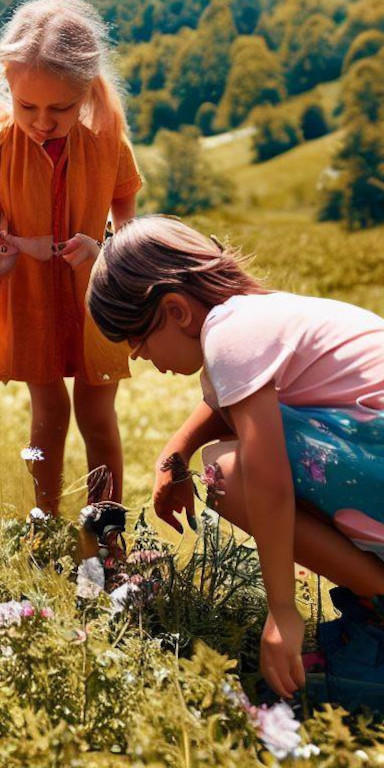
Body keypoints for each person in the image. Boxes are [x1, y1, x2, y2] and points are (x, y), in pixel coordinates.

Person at [87, 214, 384, 701]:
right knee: (227, 451)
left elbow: (267, 480)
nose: (137, 357)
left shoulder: (230, 334)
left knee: (226, 473)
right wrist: (174, 455)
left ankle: (378, 600)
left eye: (134, 339)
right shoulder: (251, 315)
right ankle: (372, 603)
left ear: (177, 311)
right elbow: (223, 404)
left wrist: (282, 610)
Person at [0, 0, 143, 514]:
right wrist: (3, 254)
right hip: (29, 294)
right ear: (8, 85)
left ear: (86, 90)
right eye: (28, 107)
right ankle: (45, 518)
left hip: (98, 295)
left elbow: (127, 230)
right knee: (47, 409)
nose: (42, 122)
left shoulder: (110, 144)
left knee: (97, 413)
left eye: (59, 109)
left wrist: (103, 248)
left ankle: (105, 528)